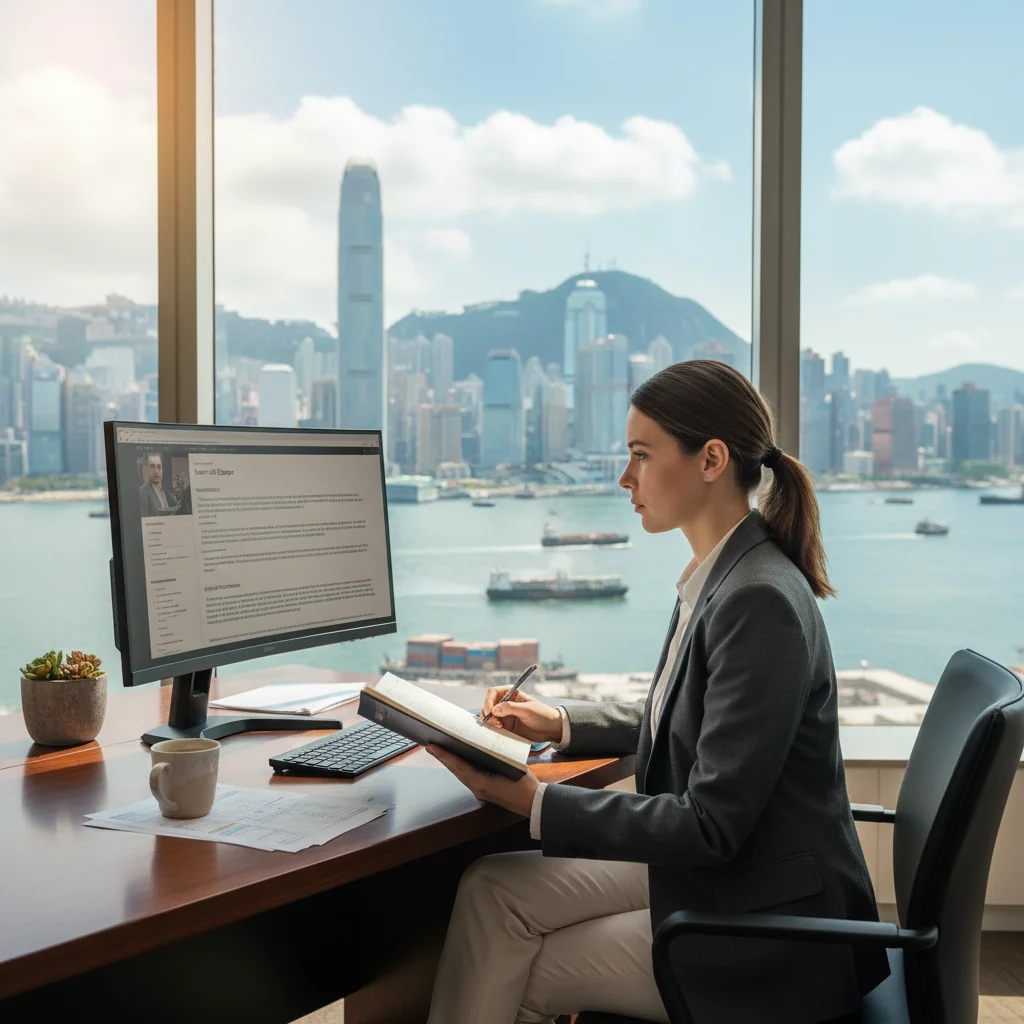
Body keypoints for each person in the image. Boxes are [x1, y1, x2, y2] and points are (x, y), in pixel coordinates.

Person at [424, 360, 889, 1024]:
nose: (625, 478)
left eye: (642, 455)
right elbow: (692, 718)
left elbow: (710, 825)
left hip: (766, 930)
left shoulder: (758, 600)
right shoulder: (722, 571)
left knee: (517, 962)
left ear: (711, 460)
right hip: (737, 877)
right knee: (492, 888)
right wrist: (560, 721)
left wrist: (536, 802)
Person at [138, 452, 179, 516]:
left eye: (159, 467)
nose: (156, 471)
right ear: (147, 469)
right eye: (152, 467)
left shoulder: (167, 491)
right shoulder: (143, 491)